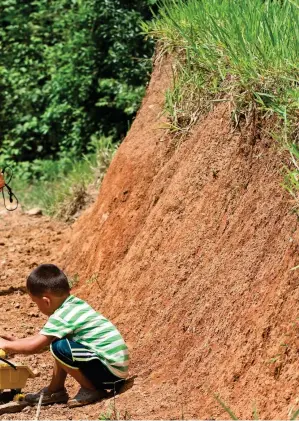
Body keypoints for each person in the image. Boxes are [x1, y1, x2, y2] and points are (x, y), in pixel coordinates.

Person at [0, 264, 129, 408]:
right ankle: (55, 390)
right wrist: (17, 342)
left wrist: (6, 345)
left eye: (36, 303)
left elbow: (35, 345)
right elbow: (41, 339)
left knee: (59, 346)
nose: (37, 307)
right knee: (58, 343)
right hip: (114, 369)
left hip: (110, 375)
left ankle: (91, 389)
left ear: (46, 301)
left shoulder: (62, 316)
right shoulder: (73, 306)